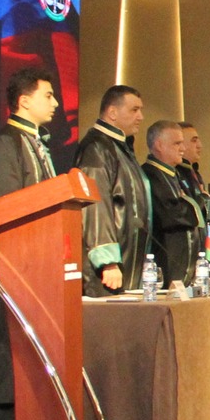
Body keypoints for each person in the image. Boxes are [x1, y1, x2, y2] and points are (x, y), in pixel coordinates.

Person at [0, 68, 61, 420]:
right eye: (48, 96)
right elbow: (4, 206)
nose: (56, 103)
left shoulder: (37, 144)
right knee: (6, 353)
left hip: (41, 263)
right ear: (24, 101)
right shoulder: (6, 144)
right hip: (13, 264)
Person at [73, 85, 149, 296]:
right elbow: (94, 204)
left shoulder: (120, 147)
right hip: (106, 271)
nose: (141, 116)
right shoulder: (96, 148)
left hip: (126, 264)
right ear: (112, 113)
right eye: (134, 110)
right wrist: (108, 261)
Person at [143, 122, 204, 287]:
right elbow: (171, 215)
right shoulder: (150, 174)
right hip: (164, 268)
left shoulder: (176, 174)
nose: (183, 148)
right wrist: (198, 205)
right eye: (177, 143)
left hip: (184, 270)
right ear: (159, 145)